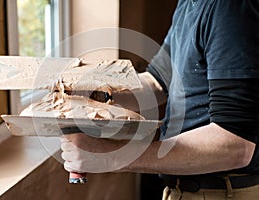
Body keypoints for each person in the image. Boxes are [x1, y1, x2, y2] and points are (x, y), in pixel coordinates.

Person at [59, 0, 259, 199]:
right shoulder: (189, 4)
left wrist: (111, 156)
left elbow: (236, 145)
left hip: (224, 191)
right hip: (185, 189)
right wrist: (95, 92)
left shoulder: (228, 8)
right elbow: (158, 82)